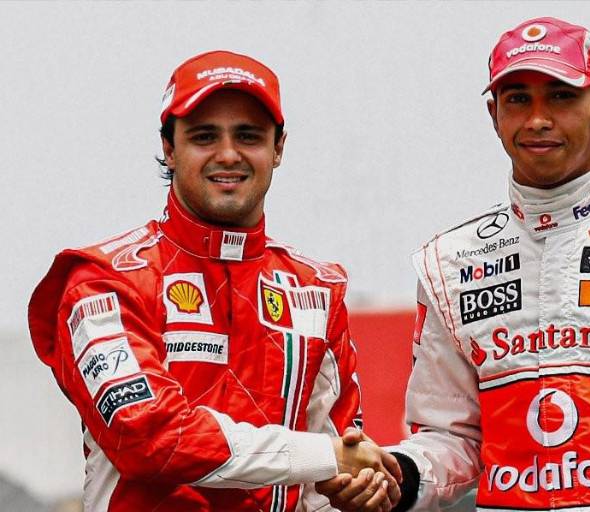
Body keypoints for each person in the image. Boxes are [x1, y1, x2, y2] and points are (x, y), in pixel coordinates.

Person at [319, 16, 590, 511]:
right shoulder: (450, 263)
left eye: (561, 96)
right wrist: (398, 476)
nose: (537, 119)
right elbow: (452, 437)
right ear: (494, 114)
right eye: (518, 99)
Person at [27, 50, 400, 512]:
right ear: (169, 147)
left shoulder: (316, 291)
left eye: (248, 136)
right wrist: (326, 457)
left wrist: (359, 490)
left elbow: (338, 463)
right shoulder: (104, 282)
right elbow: (150, 437)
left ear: (278, 148)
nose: (227, 154)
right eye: (204, 136)